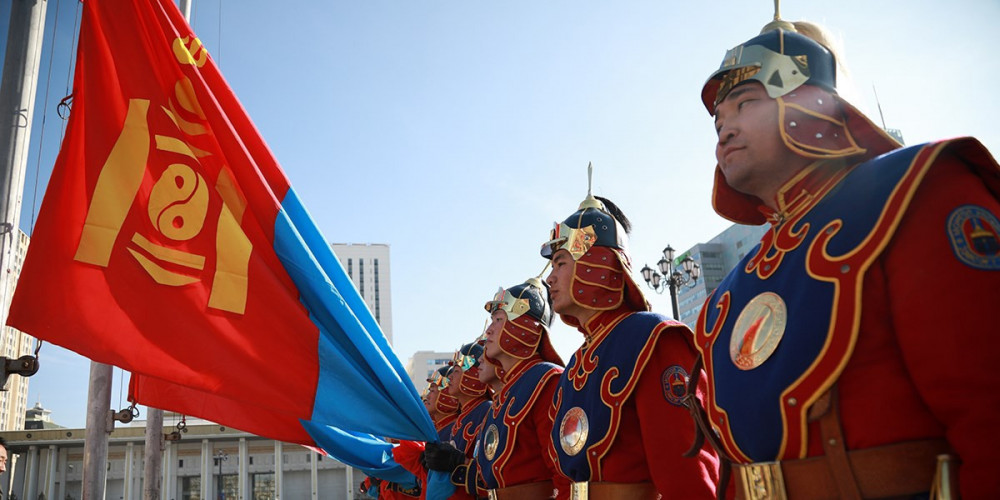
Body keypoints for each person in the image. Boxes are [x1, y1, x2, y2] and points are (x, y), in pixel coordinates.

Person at [692, 10, 1000, 499]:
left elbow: (989, 419)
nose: (724, 131)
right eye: (718, 123)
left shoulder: (914, 193)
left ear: (808, 103)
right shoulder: (728, 294)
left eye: (746, 103)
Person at [539, 180, 719, 498]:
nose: (550, 278)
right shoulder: (576, 362)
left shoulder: (651, 338)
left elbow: (686, 474)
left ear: (597, 263)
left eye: (560, 263)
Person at [476, 277, 569, 499]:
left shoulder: (546, 380)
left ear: (524, 325)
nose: (488, 331)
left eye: (498, 319)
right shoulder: (505, 393)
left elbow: (564, 470)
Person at [424, 342, 493, 499]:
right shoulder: (465, 415)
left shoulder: (485, 409)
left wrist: (460, 461)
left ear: (473, 375)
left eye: (456, 371)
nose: (450, 377)